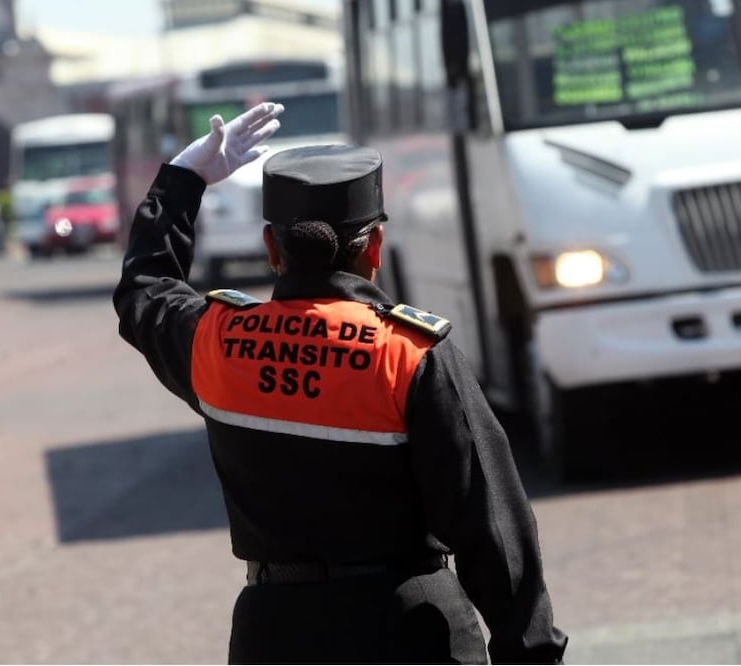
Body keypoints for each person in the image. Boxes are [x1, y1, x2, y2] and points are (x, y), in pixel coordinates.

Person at [113, 102, 567, 664]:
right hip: (409, 628)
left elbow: (144, 290)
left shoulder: (217, 341)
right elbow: (491, 526)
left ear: (271, 248)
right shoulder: (408, 353)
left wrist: (183, 180)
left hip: (274, 636)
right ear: (373, 247)